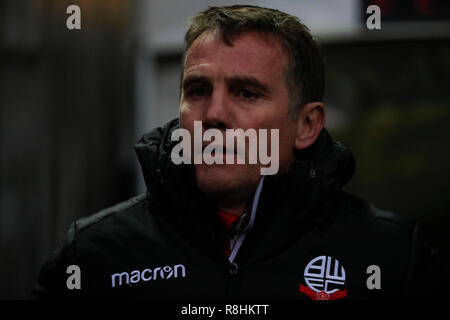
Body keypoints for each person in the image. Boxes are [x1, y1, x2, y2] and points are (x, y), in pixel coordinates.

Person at [32, 5, 448, 300]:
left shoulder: (389, 256)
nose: (214, 115)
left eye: (246, 92)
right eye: (197, 91)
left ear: (306, 125)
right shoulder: (93, 255)